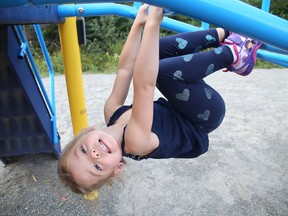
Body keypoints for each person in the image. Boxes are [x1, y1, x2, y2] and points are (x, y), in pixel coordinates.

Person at [58, 5, 262, 195]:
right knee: (162, 72)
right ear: (117, 168)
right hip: (204, 116)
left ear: (87, 132)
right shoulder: (135, 144)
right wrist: (153, 22)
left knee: (154, 50)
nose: (94, 154)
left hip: (183, 105)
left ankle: (225, 35)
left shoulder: (111, 112)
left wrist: (138, 25)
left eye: (83, 150)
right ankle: (235, 54)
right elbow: (144, 85)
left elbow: (125, 69)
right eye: (97, 167)